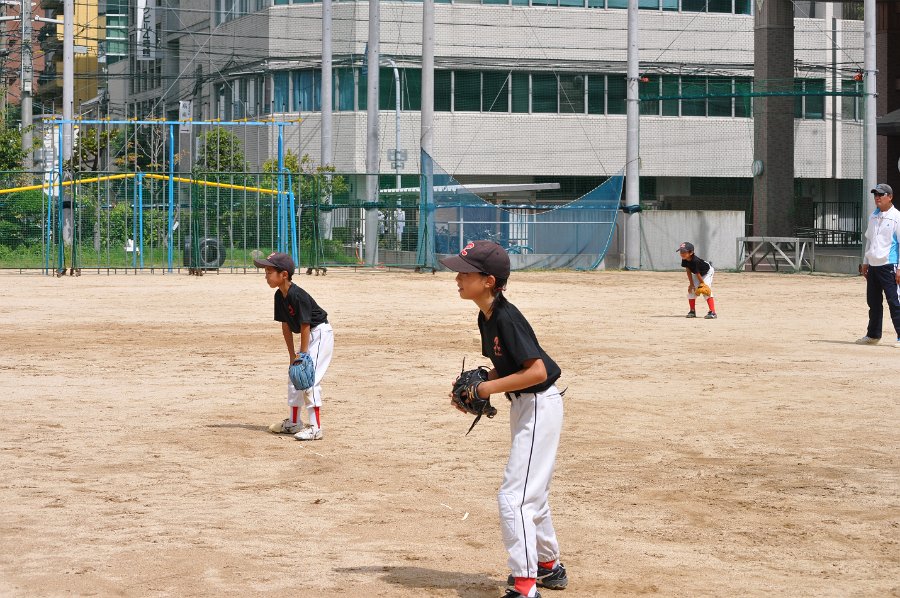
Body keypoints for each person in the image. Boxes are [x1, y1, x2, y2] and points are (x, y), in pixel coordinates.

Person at [440, 240, 568, 598]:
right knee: (531, 493)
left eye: (466, 273)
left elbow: (537, 371)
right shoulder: (487, 316)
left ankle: (525, 586)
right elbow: (510, 366)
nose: (458, 278)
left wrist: (485, 389)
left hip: (539, 404)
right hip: (527, 406)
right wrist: (480, 382)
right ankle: (548, 566)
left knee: (514, 498)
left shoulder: (506, 317)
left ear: (489, 281)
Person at [253, 252, 334, 440]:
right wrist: (292, 356)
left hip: (320, 334)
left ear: (284, 275)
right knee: (294, 376)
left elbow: (305, 325)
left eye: (269, 272)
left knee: (309, 378)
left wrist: (303, 355)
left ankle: (315, 428)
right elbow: (286, 326)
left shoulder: (298, 295)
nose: (266, 276)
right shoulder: (279, 296)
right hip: (309, 335)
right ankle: (294, 422)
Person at [855, 184, 900, 348]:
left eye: (881, 194)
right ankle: (873, 335)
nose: (877, 197)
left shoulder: (896, 217)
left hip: (889, 265)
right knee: (873, 302)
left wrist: (899, 268)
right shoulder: (873, 216)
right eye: (875, 194)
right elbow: (869, 240)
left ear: (890, 197)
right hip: (873, 266)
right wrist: (866, 262)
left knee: (894, 301)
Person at [678, 241, 717, 319]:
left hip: (707, 272)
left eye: (684, 251)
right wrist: (691, 284)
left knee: (705, 290)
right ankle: (692, 311)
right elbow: (688, 271)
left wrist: (703, 284)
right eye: (681, 251)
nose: (682, 253)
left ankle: (712, 312)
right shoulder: (684, 259)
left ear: (691, 252)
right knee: (692, 291)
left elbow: (697, 273)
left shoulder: (695, 261)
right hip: (697, 274)